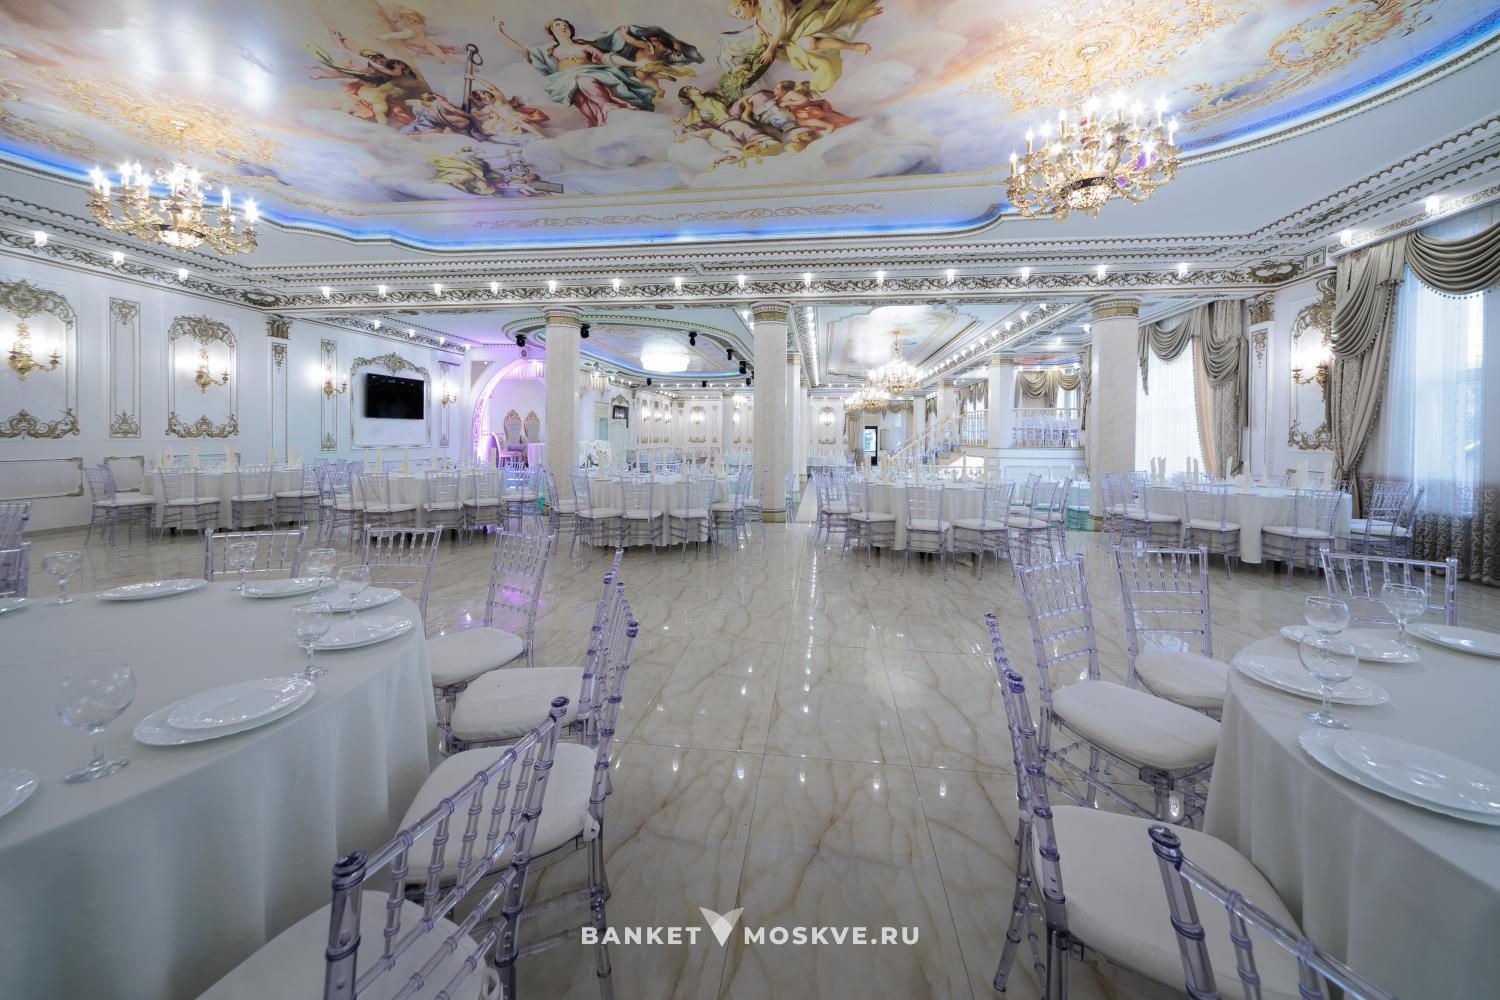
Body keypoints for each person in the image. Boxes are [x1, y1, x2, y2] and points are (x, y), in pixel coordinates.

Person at [494, 18, 657, 126]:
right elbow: (521, 49)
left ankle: (608, 108)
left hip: (590, 73)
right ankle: (599, 121)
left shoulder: (584, 46)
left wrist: (634, 63)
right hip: (566, 82)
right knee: (585, 107)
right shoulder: (549, 51)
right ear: (552, 32)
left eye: (565, 25)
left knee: (584, 80)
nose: (563, 27)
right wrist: (500, 32)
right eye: (558, 25)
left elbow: (608, 58)